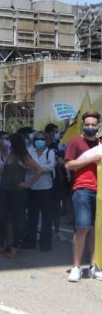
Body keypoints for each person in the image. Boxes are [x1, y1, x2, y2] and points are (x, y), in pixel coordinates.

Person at [64, 111, 102, 282]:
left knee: (96, 230)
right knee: (82, 228)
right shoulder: (75, 142)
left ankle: (94, 266)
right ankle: (76, 267)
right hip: (82, 190)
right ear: (82, 124)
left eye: (94, 124)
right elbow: (69, 165)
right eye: (87, 124)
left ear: (98, 125)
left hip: (100, 191)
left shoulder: (101, 144)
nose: (90, 127)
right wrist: (90, 160)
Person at [0, 133, 43, 258]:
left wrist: (29, 184)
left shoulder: (24, 157)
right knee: (1, 219)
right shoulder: (10, 154)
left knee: (17, 221)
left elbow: (39, 170)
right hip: (5, 191)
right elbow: (1, 172)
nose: (7, 143)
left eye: (9, 141)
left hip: (18, 193)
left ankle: (15, 247)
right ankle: (1, 246)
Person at [24, 131, 56, 252]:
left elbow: (51, 166)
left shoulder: (50, 152)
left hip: (46, 188)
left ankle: (45, 244)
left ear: (46, 140)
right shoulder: (30, 151)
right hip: (32, 188)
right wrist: (40, 168)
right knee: (32, 217)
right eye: (38, 138)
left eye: (42, 139)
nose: (40, 141)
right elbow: (26, 165)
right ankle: (30, 241)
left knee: (47, 218)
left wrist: (36, 168)